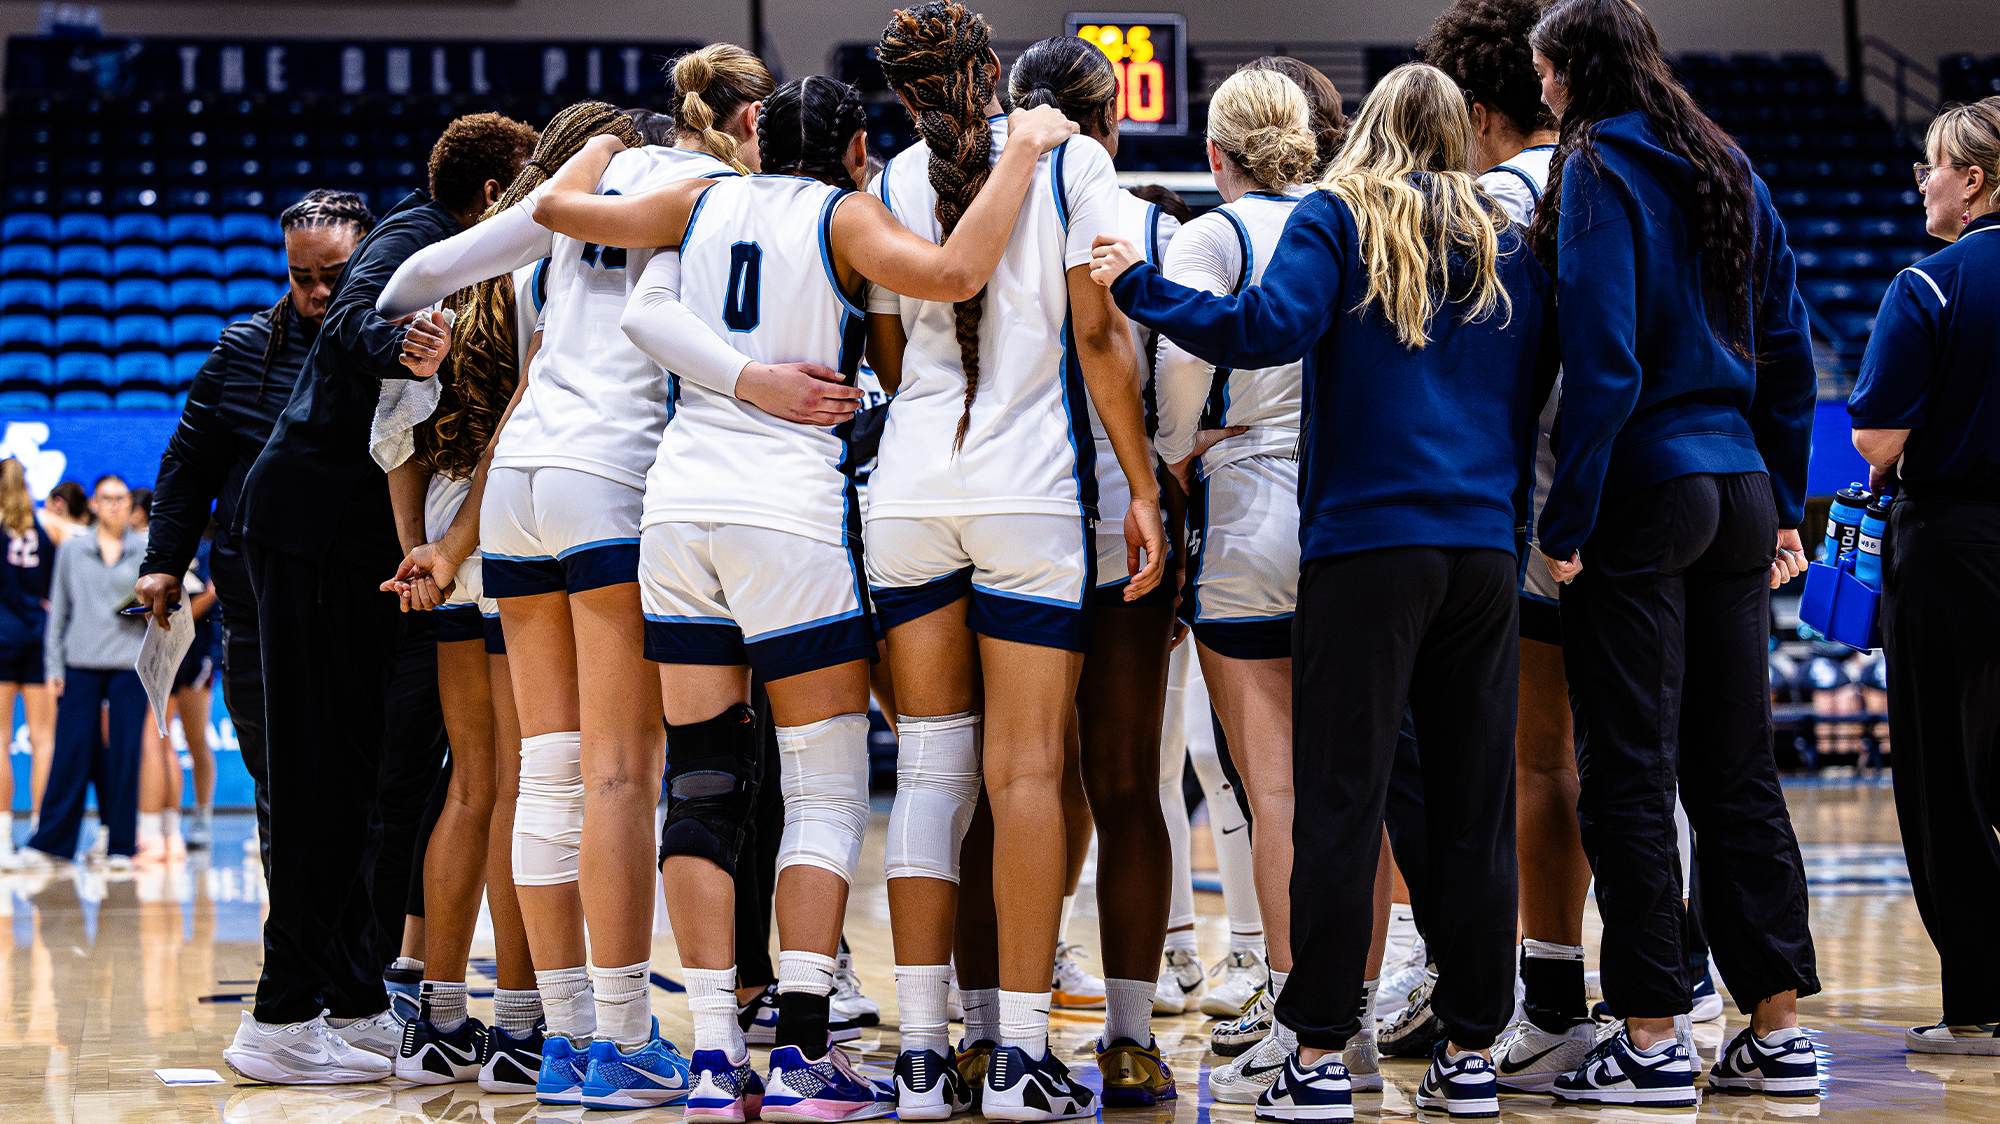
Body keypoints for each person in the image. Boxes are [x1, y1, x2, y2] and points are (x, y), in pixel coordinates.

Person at [534, 72, 1083, 1122]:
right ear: (856, 147)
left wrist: (596, 148)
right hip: (788, 516)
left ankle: (704, 1054)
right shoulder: (844, 212)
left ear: (751, 134)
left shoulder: (693, 198)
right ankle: (797, 1055)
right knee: (823, 789)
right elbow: (957, 271)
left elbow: (554, 210)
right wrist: (1023, 153)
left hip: (676, 510)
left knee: (698, 784)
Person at [1093, 60, 1552, 1123]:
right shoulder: (1507, 242)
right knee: (1469, 809)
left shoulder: (1338, 222)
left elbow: (1259, 329)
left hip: (1363, 546)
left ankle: (1312, 1051)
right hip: (1480, 548)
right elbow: (1536, 392)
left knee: (1338, 799)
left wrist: (1136, 284)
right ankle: (1474, 1048)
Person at [377, 48, 776, 1108]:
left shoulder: (559, 210)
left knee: (546, 772)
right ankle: (622, 1035)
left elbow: (415, 280)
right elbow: (669, 327)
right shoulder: (705, 192)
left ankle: (560, 1037)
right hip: (610, 476)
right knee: (617, 776)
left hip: (517, 488)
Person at [865, 6, 1166, 1120]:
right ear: (991, 70)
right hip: (1029, 493)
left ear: (898, 93)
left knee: (934, 771)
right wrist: (1140, 484)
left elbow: (889, 354)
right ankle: (1020, 1057)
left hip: (907, 488)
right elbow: (1099, 332)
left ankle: (923, 1053)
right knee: (1029, 773)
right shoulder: (1069, 154)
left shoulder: (887, 180)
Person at [1527, 0, 1820, 1104]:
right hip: (1741, 485)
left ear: (1571, 71)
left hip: (1646, 489)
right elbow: (1786, 347)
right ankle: (1775, 1030)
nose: (1541, 90)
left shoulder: (1596, 162)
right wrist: (1784, 501)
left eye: (1543, 72)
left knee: (1630, 769)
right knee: (1735, 766)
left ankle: (1649, 1037)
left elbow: (1601, 361)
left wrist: (1566, 521)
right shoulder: (1725, 160)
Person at [219, 112, 536, 1086]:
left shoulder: (453, 251)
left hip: (349, 539)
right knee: (319, 780)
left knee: (358, 781)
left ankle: (352, 999)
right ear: (492, 195)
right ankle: (275, 1019)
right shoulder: (411, 235)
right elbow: (358, 310)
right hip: (309, 526)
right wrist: (402, 338)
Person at [381, 99, 642, 1095]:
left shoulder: (442, 279)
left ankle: (443, 1015)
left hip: (454, 526)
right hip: (511, 522)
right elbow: (522, 425)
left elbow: (395, 436)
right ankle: (530, 1023)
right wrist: (449, 547)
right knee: (545, 782)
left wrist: (416, 543)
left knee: (473, 784)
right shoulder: (558, 263)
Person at [1417, 0, 1598, 1091]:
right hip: (1649, 490)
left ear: (1478, 108)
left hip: (1529, 507)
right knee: (1640, 762)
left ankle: (1551, 995)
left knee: (1536, 763)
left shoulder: (1492, 197)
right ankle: (1663, 988)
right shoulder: (1629, 172)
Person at [1139, 64, 1325, 1101]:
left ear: (1214, 153)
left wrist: (1173, 450)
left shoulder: (1212, 236)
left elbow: (1174, 369)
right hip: (1347, 514)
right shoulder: (1347, 218)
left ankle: (1295, 1001)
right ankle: (1377, 982)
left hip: (1248, 507)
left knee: (1273, 786)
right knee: (1362, 782)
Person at [137, 189, 379, 876]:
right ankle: (301, 964)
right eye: (302, 277)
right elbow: (188, 465)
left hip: (364, 606)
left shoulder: (396, 345)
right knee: (281, 786)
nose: (318, 292)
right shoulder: (242, 351)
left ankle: (369, 965)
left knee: (377, 786)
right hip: (258, 614)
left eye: (334, 275)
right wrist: (162, 561)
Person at [1848, 95, 2000, 1056]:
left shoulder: (1931, 284)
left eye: (1931, 167)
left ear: (1974, 179)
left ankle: (1984, 999)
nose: (1924, 183)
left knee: (1950, 776)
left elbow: (1877, 437)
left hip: (1955, 547)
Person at [20, 476, 148, 871]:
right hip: (81, 664)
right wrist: (54, 666)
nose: (113, 506)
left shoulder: (147, 549)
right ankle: (53, 843)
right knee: (72, 750)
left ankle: (122, 846)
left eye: (121, 499)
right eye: (106, 499)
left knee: (127, 755)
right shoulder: (74, 550)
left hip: (130, 665)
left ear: (130, 505)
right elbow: (58, 611)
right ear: (93, 504)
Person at [0, 458, 56, 864]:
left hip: (2, 637)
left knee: (0, 740)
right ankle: (40, 833)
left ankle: (2, 838)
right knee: (43, 740)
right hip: (39, 636)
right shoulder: (45, 529)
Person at [39, 481, 89, 548]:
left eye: (46, 508)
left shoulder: (44, 521)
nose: (45, 511)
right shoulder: (95, 536)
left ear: (58, 503)